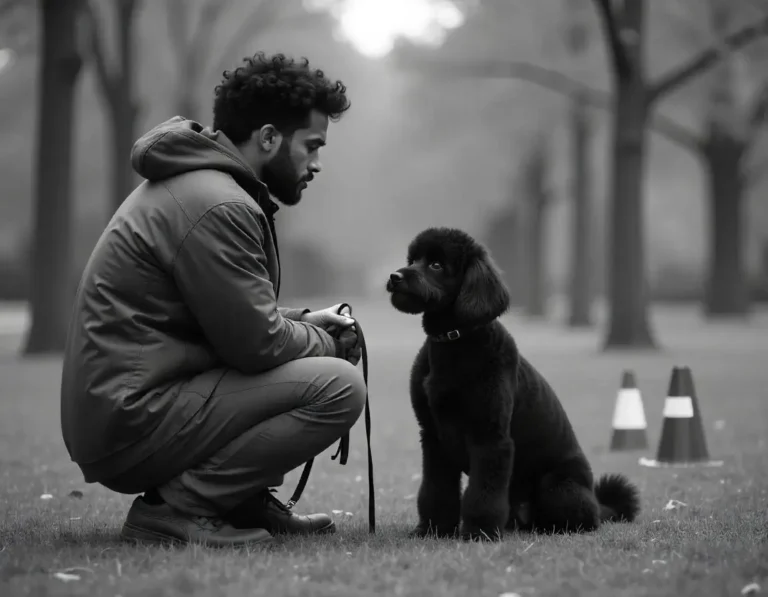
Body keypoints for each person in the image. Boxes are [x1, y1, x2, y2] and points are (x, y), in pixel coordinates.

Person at [60, 52, 366, 547]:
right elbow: (256, 344)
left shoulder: (204, 188)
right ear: (268, 138)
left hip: (130, 406)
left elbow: (226, 317)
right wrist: (326, 344)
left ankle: (238, 500)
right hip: (132, 418)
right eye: (311, 145)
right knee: (337, 386)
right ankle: (180, 509)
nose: (317, 162)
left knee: (318, 369)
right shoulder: (218, 203)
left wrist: (309, 321)